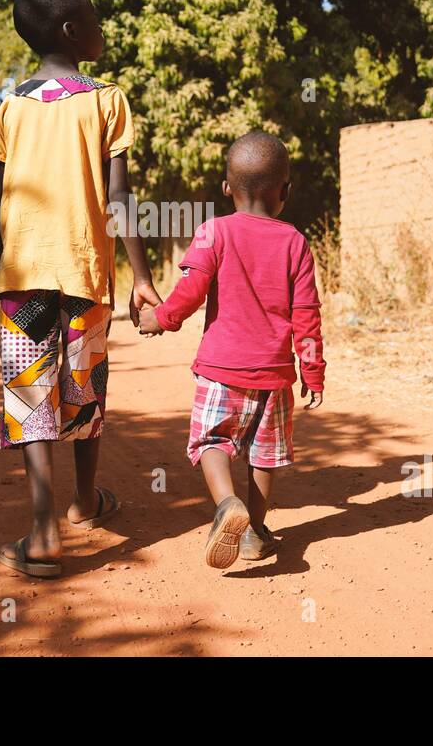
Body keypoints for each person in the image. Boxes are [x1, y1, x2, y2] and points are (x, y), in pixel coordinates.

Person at [0, 0, 160, 578]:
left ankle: (43, 533)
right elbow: (119, 198)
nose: (101, 25)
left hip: (24, 273)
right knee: (84, 385)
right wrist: (140, 275)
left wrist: (4, 260)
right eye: (93, 17)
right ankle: (85, 500)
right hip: (85, 270)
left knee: (32, 393)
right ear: (70, 32)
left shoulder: (11, 106)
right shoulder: (106, 99)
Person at [139, 131, 326, 568]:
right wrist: (313, 371)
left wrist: (160, 318)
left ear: (227, 188)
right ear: (286, 190)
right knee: (265, 454)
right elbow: (308, 316)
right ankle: (256, 533)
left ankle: (227, 504)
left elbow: (191, 291)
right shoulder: (296, 243)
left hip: (221, 369)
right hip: (276, 374)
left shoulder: (213, 232)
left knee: (212, 441)